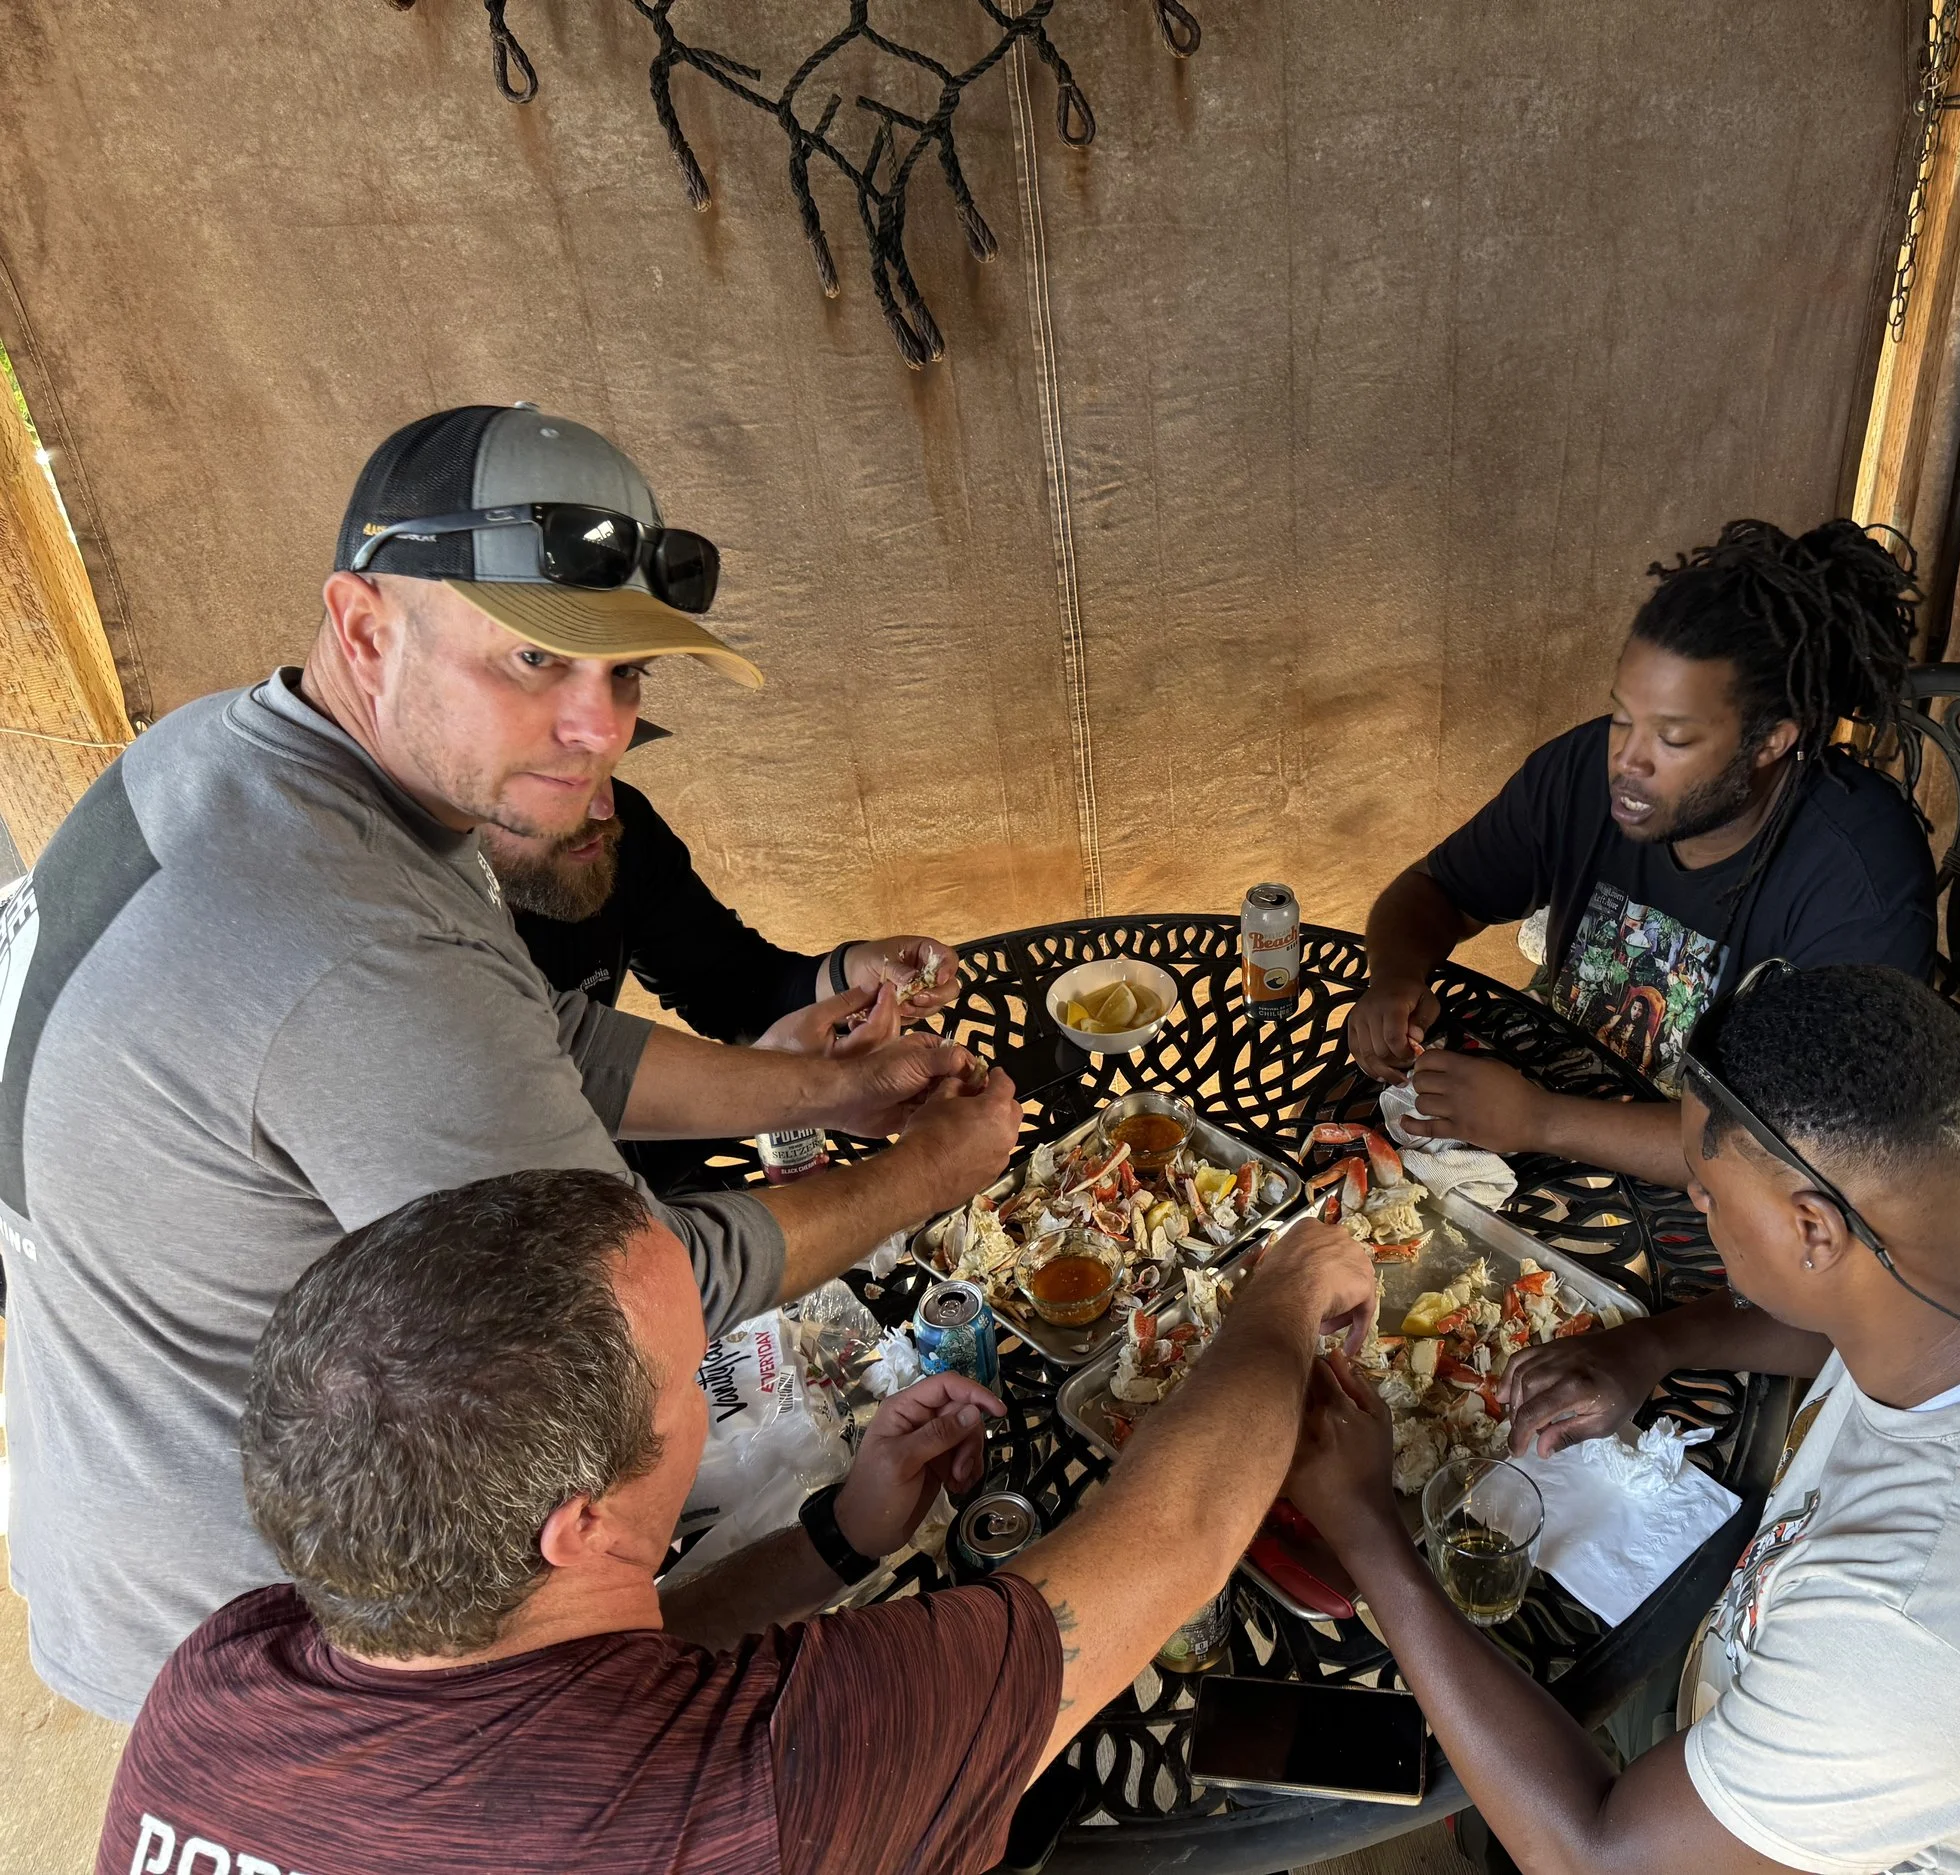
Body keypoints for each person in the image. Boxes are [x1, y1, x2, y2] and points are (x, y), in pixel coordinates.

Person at [0, 404, 1022, 1721]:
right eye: (536, 656)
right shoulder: (344, 945)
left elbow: (536, 1032)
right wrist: (932, 1167)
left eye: (629, 673)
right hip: (267, 1626)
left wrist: (827, 1087)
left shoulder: (240, 759)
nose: (596, 727)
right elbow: (623, 1301)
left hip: (113, 1483)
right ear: (368, 627)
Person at [98, 1168, 1380, 1875]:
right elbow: (1180, 1533)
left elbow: (572, 1670)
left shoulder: (216, 1676)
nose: (710, 1388)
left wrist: (837, 1542)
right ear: (577, 1520)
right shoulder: (772, 1781)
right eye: (688, 1371)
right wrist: (1284, 1296)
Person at [1293, 964, 1960, 1874]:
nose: (1694, 1203)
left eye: (1706, 1191)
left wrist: (1368, 1530)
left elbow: (1596, 1855)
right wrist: (1652, 1347)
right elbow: (1849, 1324)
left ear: (1813, 1230)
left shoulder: (1908, 1626)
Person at [1349, 518, 1936, 1192]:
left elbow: (1798, 1153)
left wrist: (1542, 1121)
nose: (1626, 758)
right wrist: (1394, 977)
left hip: (1714, 1207)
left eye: (1674, 737)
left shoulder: (1859, 880)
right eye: (1624, 716)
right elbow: (1437, 890)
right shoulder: (1584, 772)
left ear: (1772, 739)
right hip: (1545, 1114)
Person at [484, 766, 966, 1192]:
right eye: (553, 776)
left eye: (605, 762)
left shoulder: (610, 827)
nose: (603, 806)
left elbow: (726, 982)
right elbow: (572, 1177)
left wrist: (845, 973)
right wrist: (799, 1086)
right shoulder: (436, 951)